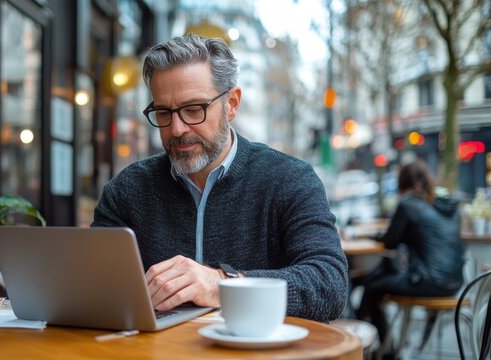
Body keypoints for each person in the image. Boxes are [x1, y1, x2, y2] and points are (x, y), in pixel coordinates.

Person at [91, 34, 348, 323]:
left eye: (193, 109)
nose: (176, 129)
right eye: (163, 112)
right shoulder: (128, 189)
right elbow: (92, 284)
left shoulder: (290, 179)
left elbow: (329, 286)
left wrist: (223, 285)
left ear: (232, 104)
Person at [356, 159, 463, 345]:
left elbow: (390, 242)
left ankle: (382, 349)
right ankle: (381, 347)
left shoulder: (408, 205)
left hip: (427, 281)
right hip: (455, 285)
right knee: (375, 280)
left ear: (402, 182)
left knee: (372, 287)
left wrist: (375, 237)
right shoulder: (445, 206)